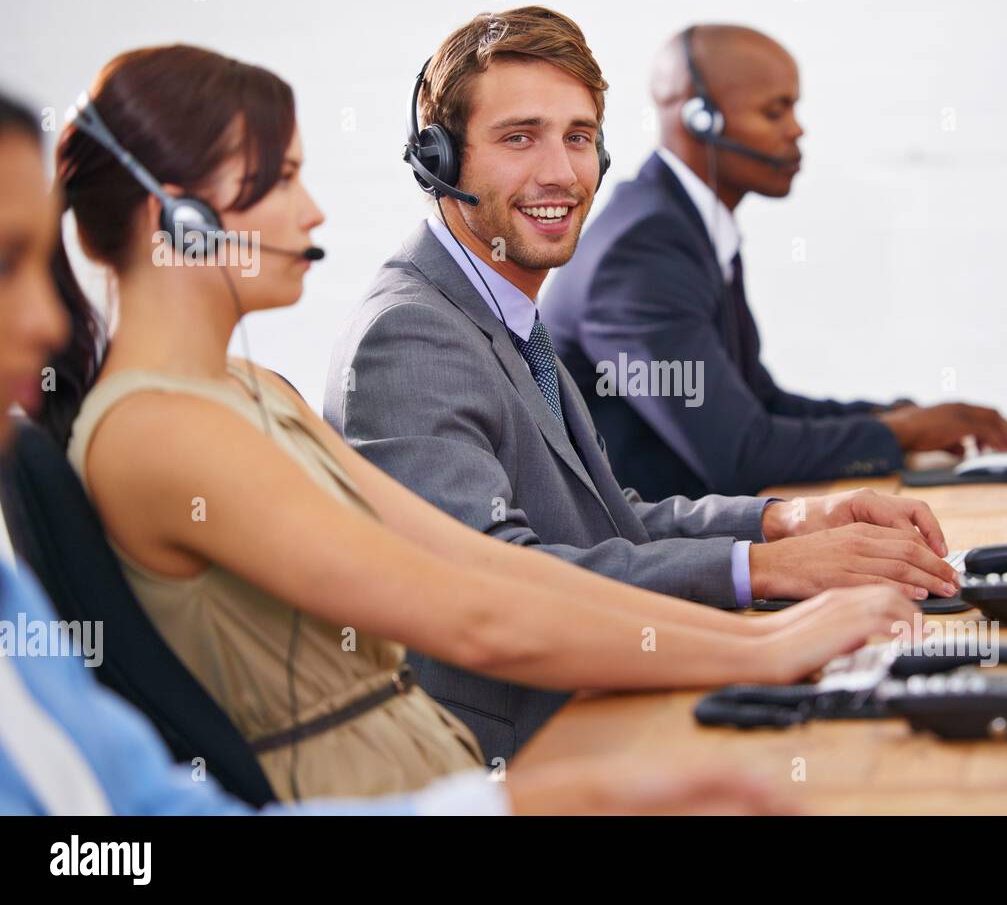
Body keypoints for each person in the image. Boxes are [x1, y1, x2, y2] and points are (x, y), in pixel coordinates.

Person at [31, 45, 915, 803]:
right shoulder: (162, 431)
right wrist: (762, 644)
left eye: (578, 138)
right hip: (374, 795)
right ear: (178, 218)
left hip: (441, 777)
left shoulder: (253, 387)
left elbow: (480, 561)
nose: (314, 213)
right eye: (284, 180)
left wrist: (766, 613)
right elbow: (473, 616)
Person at [325, 7, 959, 759]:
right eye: (519, 137)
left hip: (596, 701)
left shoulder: (503, 309)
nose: (561, 172)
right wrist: (766, 571)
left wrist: (785, 523)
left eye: (580, 137)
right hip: (512, 755)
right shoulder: (410, 336)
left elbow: (606, 522)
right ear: (437, 158)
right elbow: (505, 582)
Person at [544, 24, 1007, 501]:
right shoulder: (643, 251)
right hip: (646, 560)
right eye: (775, 111)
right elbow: (740, 453)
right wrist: (902, 434)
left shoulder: (683, 224)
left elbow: (760, 404)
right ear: (700, 118)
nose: (797, 129)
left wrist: (898, 417)